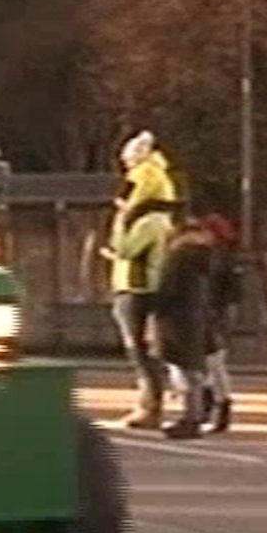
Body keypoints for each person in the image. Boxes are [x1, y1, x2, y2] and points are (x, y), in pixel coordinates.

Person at [104, 131, 181, 429]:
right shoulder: (162, 218)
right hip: (145, 285)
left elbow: (125, 249)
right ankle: (154, 400)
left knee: (136, 348)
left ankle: (150, 405)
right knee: (147, 348)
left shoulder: (147, 221)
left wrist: (121, 222)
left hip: (135, 287)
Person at [152, 215, 216, 439]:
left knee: (181, 369)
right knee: (192, 370)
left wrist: (155, 312)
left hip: (175, 318)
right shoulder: (205, 256)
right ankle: (195, 415)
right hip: (195, 316)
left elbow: (166, 289)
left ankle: (190, 418)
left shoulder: (178, 257)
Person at [198, 213, 242, 433]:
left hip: (215, 314)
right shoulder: (213, 256)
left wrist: (223, 316)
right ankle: (209, 408)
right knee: (207, 364)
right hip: (209, 313)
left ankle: (219, 407)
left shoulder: (221, 258)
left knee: (214, 364)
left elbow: (231, 292)